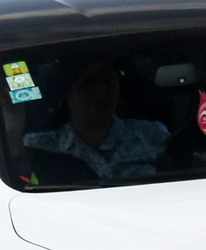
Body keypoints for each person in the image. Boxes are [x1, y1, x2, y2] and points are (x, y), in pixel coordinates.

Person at [23, 58, 167, 180]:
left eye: (107, 81)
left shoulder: (153, 135)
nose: (101, 91)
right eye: (89, 83)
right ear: (67, 93)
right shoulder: (41, 145)